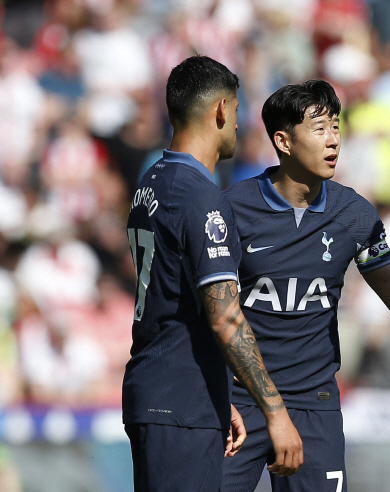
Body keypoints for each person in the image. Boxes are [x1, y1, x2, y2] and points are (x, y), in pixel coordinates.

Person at [220, 80, 390, 492]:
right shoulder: (232, 209)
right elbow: (214, 313)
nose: (333, 140)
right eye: (320, 129)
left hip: (313, 404)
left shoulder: (354, 214)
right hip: (241, 401)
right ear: (283, 141)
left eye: (336, 128)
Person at [122, 55, 303, 492]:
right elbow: (225, 316)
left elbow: (174, 299)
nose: (240, 125)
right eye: (238, 111)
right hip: (180, 403)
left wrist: (218, 393)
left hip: (165, 392)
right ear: (221, 110)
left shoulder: (152, 182)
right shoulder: (201, 197)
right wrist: (275, 413)